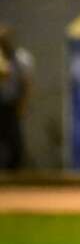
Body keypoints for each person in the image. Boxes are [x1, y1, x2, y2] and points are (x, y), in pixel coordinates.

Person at [0, 25, 33, 170]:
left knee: (15, 144)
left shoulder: (21, 59)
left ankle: (13, 176)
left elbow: (26, 85)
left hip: (11, 106)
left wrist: (22, 106)